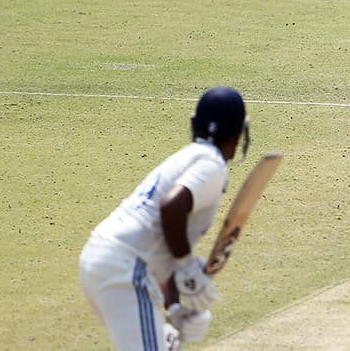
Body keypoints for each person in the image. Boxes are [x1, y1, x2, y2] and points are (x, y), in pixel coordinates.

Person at [79, 87, 252, 350]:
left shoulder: (187, 157)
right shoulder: (211, 164)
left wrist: (173, 308)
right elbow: (171, 207)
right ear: (238, 136)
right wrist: (187, 266)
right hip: (126, 268)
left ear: (194, 124)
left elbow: (160, 240)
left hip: (102, 260)